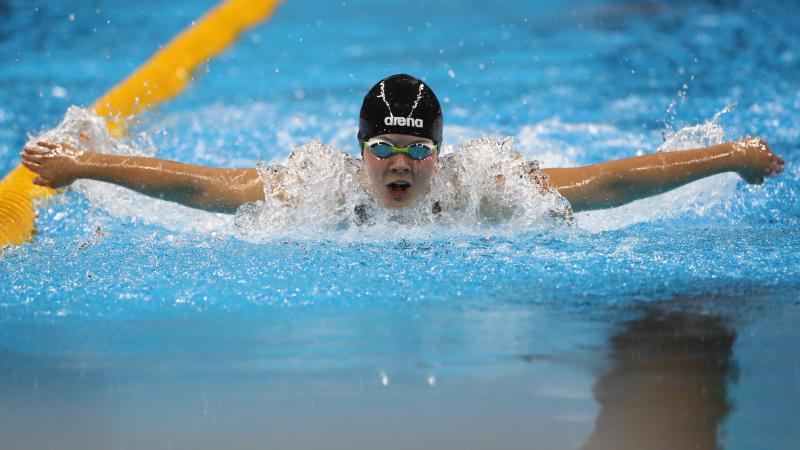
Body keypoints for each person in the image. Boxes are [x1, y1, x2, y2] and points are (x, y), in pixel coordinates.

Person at [20, 74, 785, 219]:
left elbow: (607, 183)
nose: (399, 165)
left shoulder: (483, 186)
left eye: (416, 152)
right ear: (359, 149)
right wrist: (83, 164)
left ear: (439, 155)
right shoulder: (312, 187)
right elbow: (198, 185)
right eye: (384, 147)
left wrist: (726, 156)